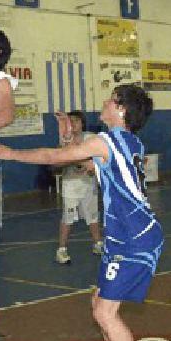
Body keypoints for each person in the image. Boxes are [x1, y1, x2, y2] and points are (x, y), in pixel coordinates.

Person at [0, 84, 164, 341]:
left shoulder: (107, 140)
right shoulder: (127, 143)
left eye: (111, 99)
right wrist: (70, 140)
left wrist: (7, 153)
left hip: (135, 239)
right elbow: (87, 166)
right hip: (125, 237)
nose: (105, 102)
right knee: (98, 304)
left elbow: (55, 159)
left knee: (106, 313)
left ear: (121, 109)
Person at [54, 110, 103, 265]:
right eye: (70, 121)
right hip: (71, 185)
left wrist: (89, 165)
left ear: (82, 123)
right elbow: (58, 162)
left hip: (89, 184)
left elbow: (98, 157)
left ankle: (98, 244)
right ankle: (61, 250)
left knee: (93, 216)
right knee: (68, 218)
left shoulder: (91, 138)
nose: (73, 124)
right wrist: (74, 161)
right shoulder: (64, 140)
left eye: (76, 121)